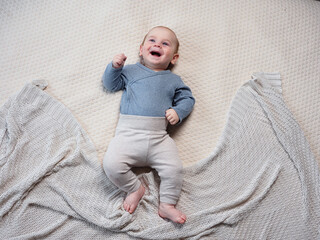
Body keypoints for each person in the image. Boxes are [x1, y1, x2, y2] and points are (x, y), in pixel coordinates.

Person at [102, 26, 195, 224]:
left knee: (174, 170)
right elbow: (111, 84)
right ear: (142, 49)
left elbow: (187, 99)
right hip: (128, 135)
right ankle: (135, 188)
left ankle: (167, 205)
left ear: (174, 58)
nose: (157, 45)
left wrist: (178, 112)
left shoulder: (174, 80)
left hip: (159, 138)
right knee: (111, 165)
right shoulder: (131, 71)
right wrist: (114, 67)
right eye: (152, 41)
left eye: (165, 43)